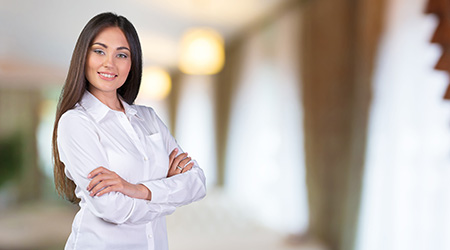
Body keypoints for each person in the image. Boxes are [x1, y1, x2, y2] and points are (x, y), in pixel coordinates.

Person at [51, 12, 206, 250]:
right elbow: (111, 208)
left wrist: (134, 189)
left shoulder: (148, 118)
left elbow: (196, 181)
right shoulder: (75, 122)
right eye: (99, 51)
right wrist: (167, 190)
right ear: (83, 56)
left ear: (132, 63)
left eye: (121, 54)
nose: (109, 63)